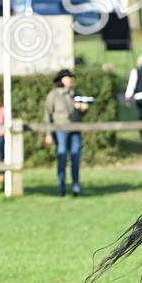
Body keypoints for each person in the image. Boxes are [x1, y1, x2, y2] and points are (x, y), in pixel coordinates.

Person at [44, 68, 89, 197]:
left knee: (75, 157)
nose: (71, 80)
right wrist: (48, 133)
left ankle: (76, 186)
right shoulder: (54, 94)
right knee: (62, 157)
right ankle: (61, 187)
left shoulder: (75, 94)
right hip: (60, 130)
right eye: (69, 77)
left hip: (75, 129)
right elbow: (48, 114)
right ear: (62, 80)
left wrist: (83, 109)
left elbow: (80, 113)